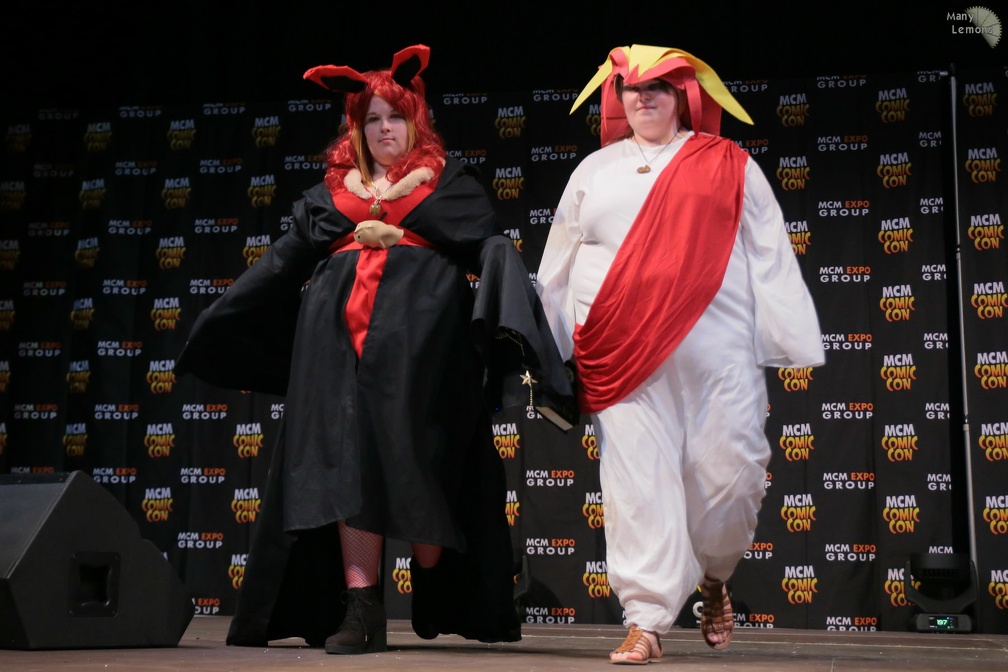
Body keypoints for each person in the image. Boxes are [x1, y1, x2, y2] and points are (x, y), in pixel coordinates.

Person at [176, 44, 572, 656]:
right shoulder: (331, 194)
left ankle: (445, 583)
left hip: (423, 348)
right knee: (346, 470)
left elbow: (487, 246)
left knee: (421, 468)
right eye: (372, 119)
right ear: (356, 129)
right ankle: (362, 607)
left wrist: (511, 303)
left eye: (395, 117)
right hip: (335, 349)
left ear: (417, 121)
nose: (384, 129)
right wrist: (220, 319)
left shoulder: (447, 185)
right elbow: (282, 263)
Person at [536, 45, 824, 664]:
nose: (644, 97)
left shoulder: (727, 162)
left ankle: (715, 577)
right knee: (636, 484)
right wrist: (550, 350)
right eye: (632, 88)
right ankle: (646, 620)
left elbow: (769, 248)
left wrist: (788, 336)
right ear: (617, 98)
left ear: (684, 95)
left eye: (659, 87)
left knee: (732, 477)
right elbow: (558, 262)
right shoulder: (593, 170)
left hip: (717, 355)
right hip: (617, 354)